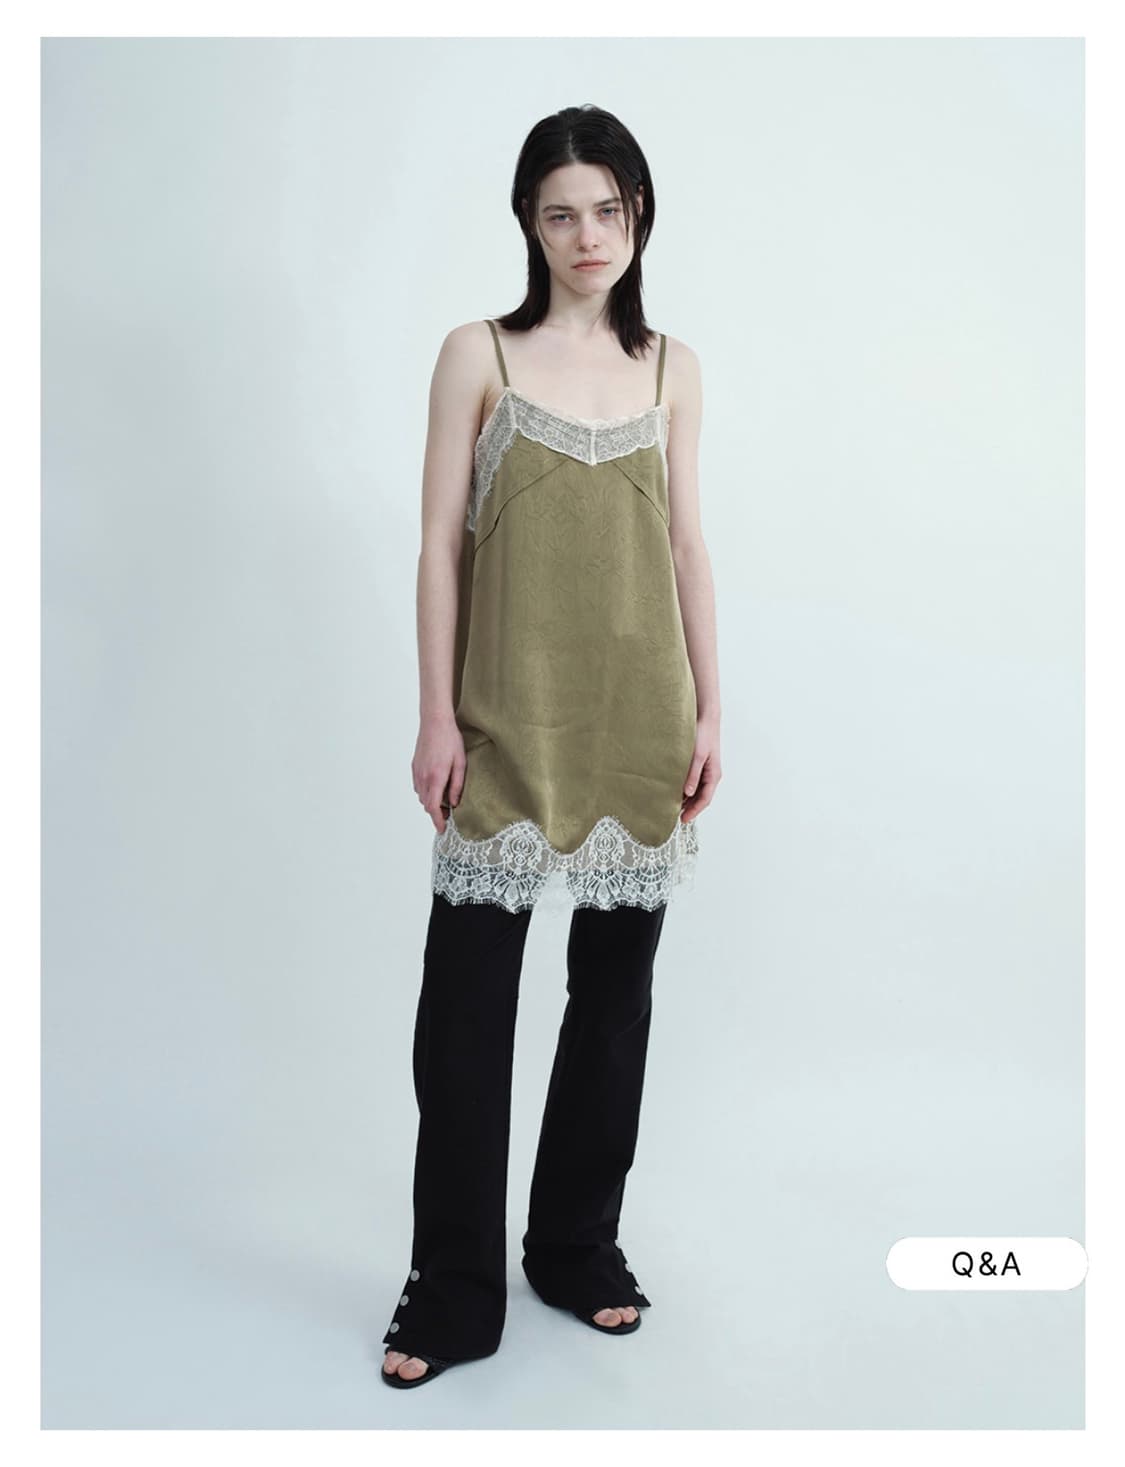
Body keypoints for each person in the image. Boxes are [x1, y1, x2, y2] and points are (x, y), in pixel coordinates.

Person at [382, 103, 721, 1389]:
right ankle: (453, 1285)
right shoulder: (478, 354)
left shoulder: (675, 366)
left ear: (640, 216)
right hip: (505, 714)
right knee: (466, 1011)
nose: (589, 236)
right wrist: (435, 714)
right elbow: (438, 543)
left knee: (613, 1002)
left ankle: (575, 1247)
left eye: (609, 210)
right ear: (528, 223)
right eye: (562, 212)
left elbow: (687, 545)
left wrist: (712, 708)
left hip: (640, 713)